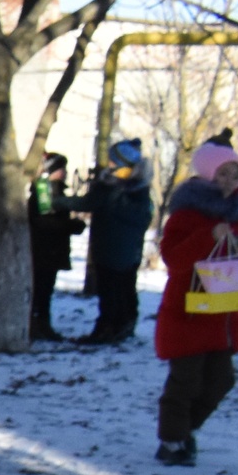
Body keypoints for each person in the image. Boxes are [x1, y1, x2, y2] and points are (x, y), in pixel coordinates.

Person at [153, 135, 238, 466]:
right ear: (206, 175)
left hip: (222, 316)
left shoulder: (237, 216)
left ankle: (183, 431)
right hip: (188, 314)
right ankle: (172, 442)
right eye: (222, 174)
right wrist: (208, 236)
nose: (229, 181)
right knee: (185, 382)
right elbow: (174, 259)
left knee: (222, 381)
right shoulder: (186, 214)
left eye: (235, 175)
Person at [78, 138, 155, 346]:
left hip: (121, 251)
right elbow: (89, 203)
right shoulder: (113, 185)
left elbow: (141, 217)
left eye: (113, 162)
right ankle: (119, 326)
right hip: (111, 248)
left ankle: (112, 328)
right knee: (117, 290)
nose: (109, 165)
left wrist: (114, 200)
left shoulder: (130, 189)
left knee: (115, 291)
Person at [28, 152, 85, 342]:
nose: (65, 173)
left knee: (45, 290)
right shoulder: (44, 191)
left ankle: (41, 324)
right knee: (41, 290)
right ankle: (37, 324)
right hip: (43, 250)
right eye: (61, 169)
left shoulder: (52, 190)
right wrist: (71, 226)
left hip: (49, 250)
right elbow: (44, 222)